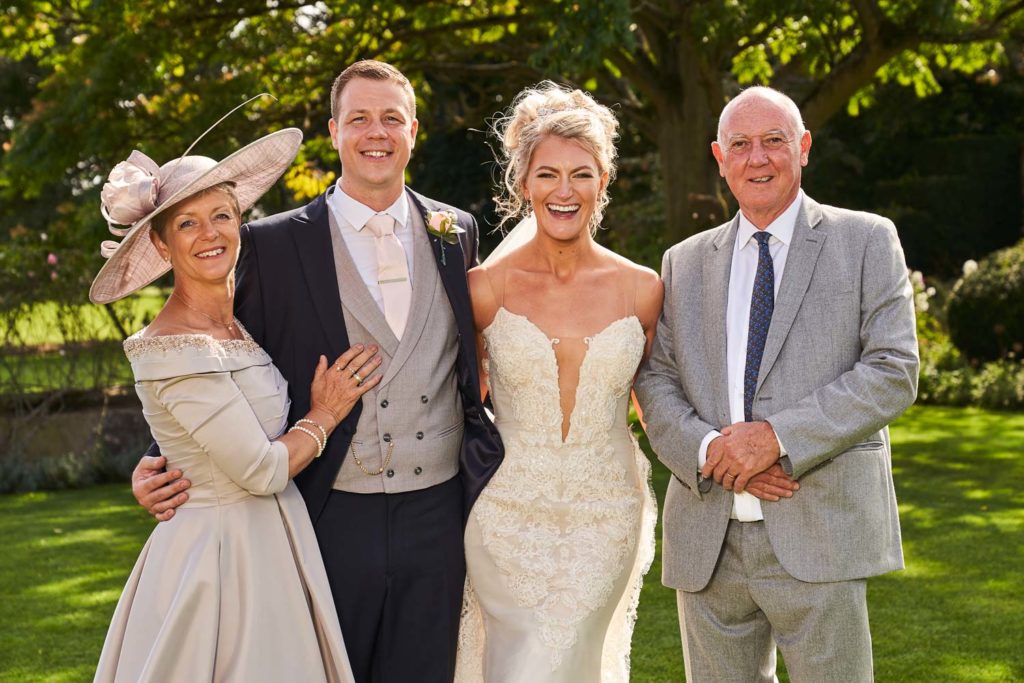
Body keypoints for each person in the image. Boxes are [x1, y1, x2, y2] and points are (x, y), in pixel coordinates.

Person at [130, 60, 504, 683]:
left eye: (391, 118)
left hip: (439, 512)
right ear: (333, 131)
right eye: (358, 118)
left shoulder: (454, 231)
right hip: (327, 511)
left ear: (414, 129)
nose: (375, 132)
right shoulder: (274, 243)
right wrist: (159, 460)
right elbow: (224, 353)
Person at [635, 85, 919, 681]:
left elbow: (893, 369)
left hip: (822, 528)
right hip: (708, 539)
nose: (756, 158)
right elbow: (656, 379)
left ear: (805, 148)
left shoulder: (865, 240)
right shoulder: (682, 262)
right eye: (740, 144)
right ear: (719, 156)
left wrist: (777, 438)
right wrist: (714, 451)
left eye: (773, 141)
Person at [90, 128, 365, 681]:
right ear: (162, 246)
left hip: (274, 542)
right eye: (187, 223)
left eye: (222, 215)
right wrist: (325, 415)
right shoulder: (169, 347)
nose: (209, 234)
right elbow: (262, 471)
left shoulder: (236, 322)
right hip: (217, 560)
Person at [454, 82, 663, 682]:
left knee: (574, 657)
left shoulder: (642, 289)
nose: (564, 191)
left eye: (581, 174)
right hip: (506, 513)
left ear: (604, 181)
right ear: (523, 184)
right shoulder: (483, 289)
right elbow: (455, 399)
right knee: (519, 662)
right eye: (547, 175)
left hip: (607, 512)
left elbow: (660, 401)